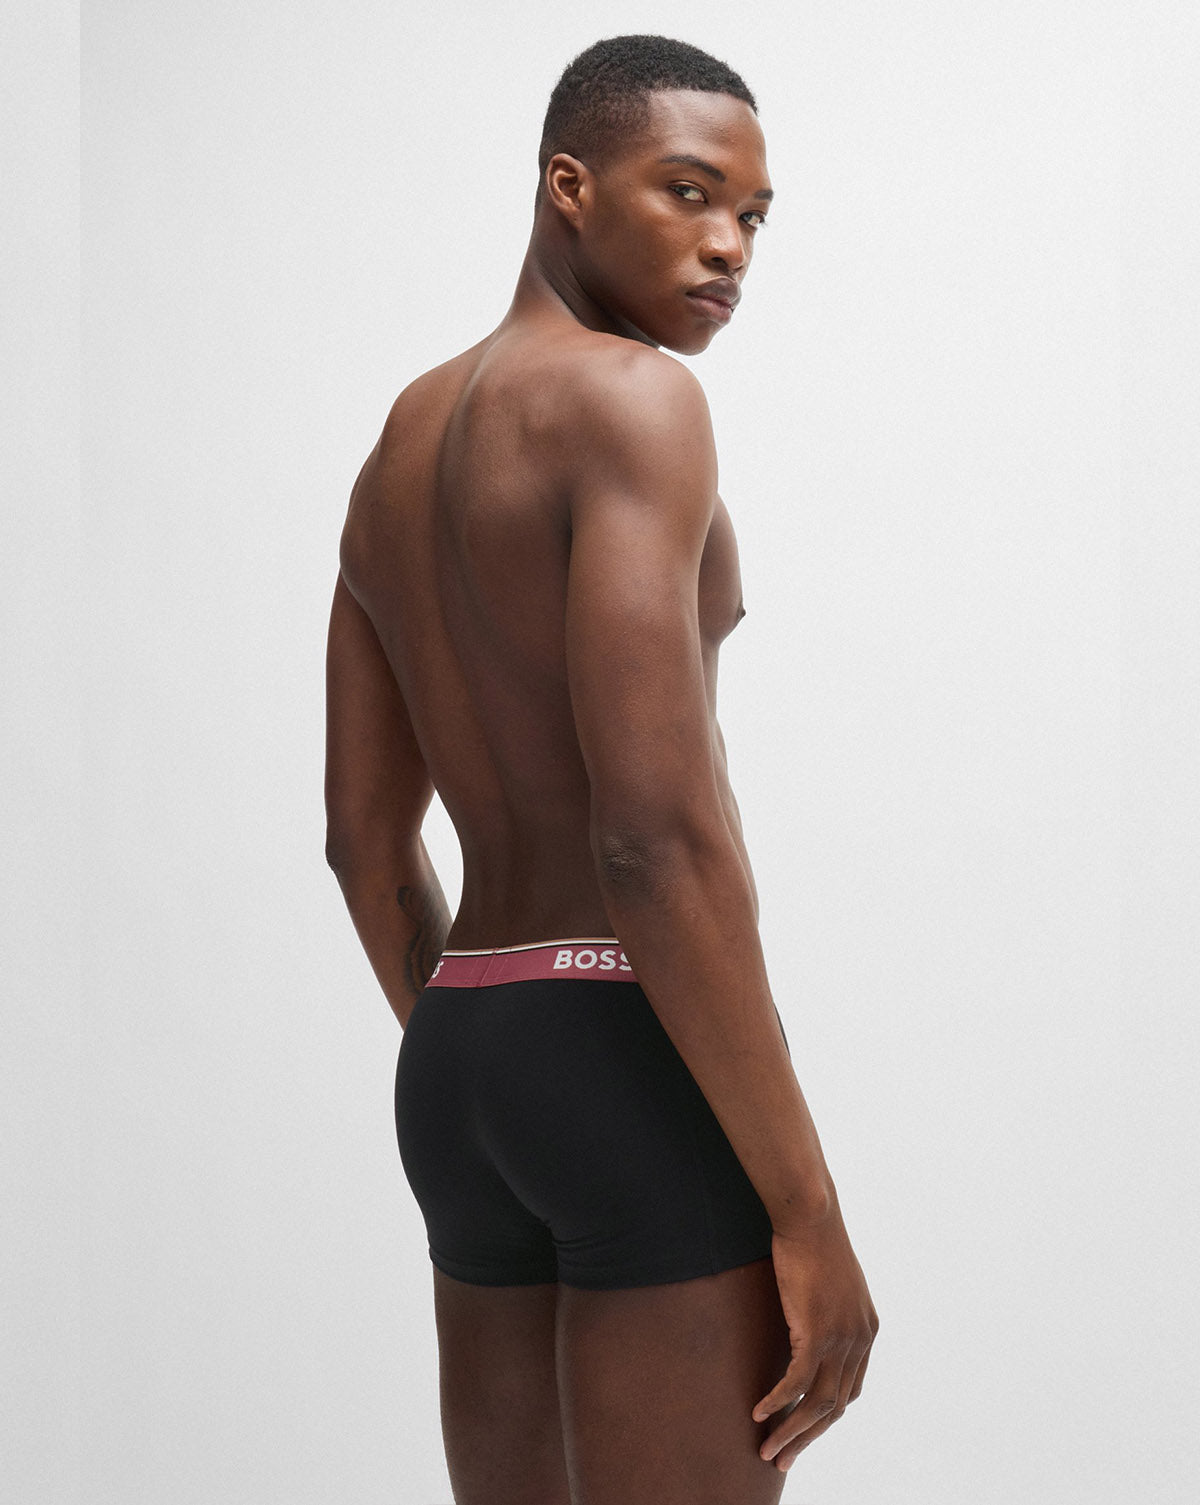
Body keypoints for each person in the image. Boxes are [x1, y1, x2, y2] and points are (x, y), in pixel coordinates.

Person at [325, 33, 878, 1505]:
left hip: (462, 1061)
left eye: (753, 216)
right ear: (568, 186)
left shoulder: (398, 448)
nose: (729, 245)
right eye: (687, 192)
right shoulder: (636, 402)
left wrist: (499, 1045)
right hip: (628, 1044)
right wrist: (808, 1209)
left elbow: (361, 840)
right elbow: (655, 839)